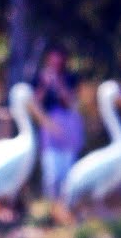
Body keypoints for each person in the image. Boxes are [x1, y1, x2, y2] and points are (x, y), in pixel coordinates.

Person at [30, 44, 84, 199]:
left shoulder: (70, 77)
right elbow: (35, 104)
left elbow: (70, 103)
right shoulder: (40, 78)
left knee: (68, 169)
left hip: (68, 126)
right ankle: (51, 206)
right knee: (51, 172)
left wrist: (59, 83)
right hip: (48, 126)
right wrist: (45, 85)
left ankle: (67, 204)